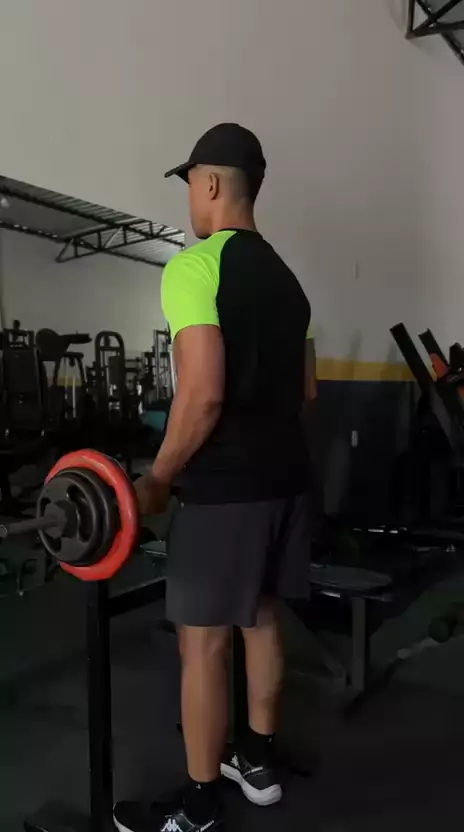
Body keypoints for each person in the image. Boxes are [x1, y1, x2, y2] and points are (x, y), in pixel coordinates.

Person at [114, 123, 313, 832]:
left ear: (211, 182)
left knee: (202, 642)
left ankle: (198, 806)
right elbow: (306, 394)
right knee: (260, 617)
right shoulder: (289, 283)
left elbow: (201, 396)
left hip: (225, 489)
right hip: (287, 478)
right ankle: (255, 758)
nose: (191, 201)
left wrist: (158, 479)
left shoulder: (196, 266)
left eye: (191, 186)